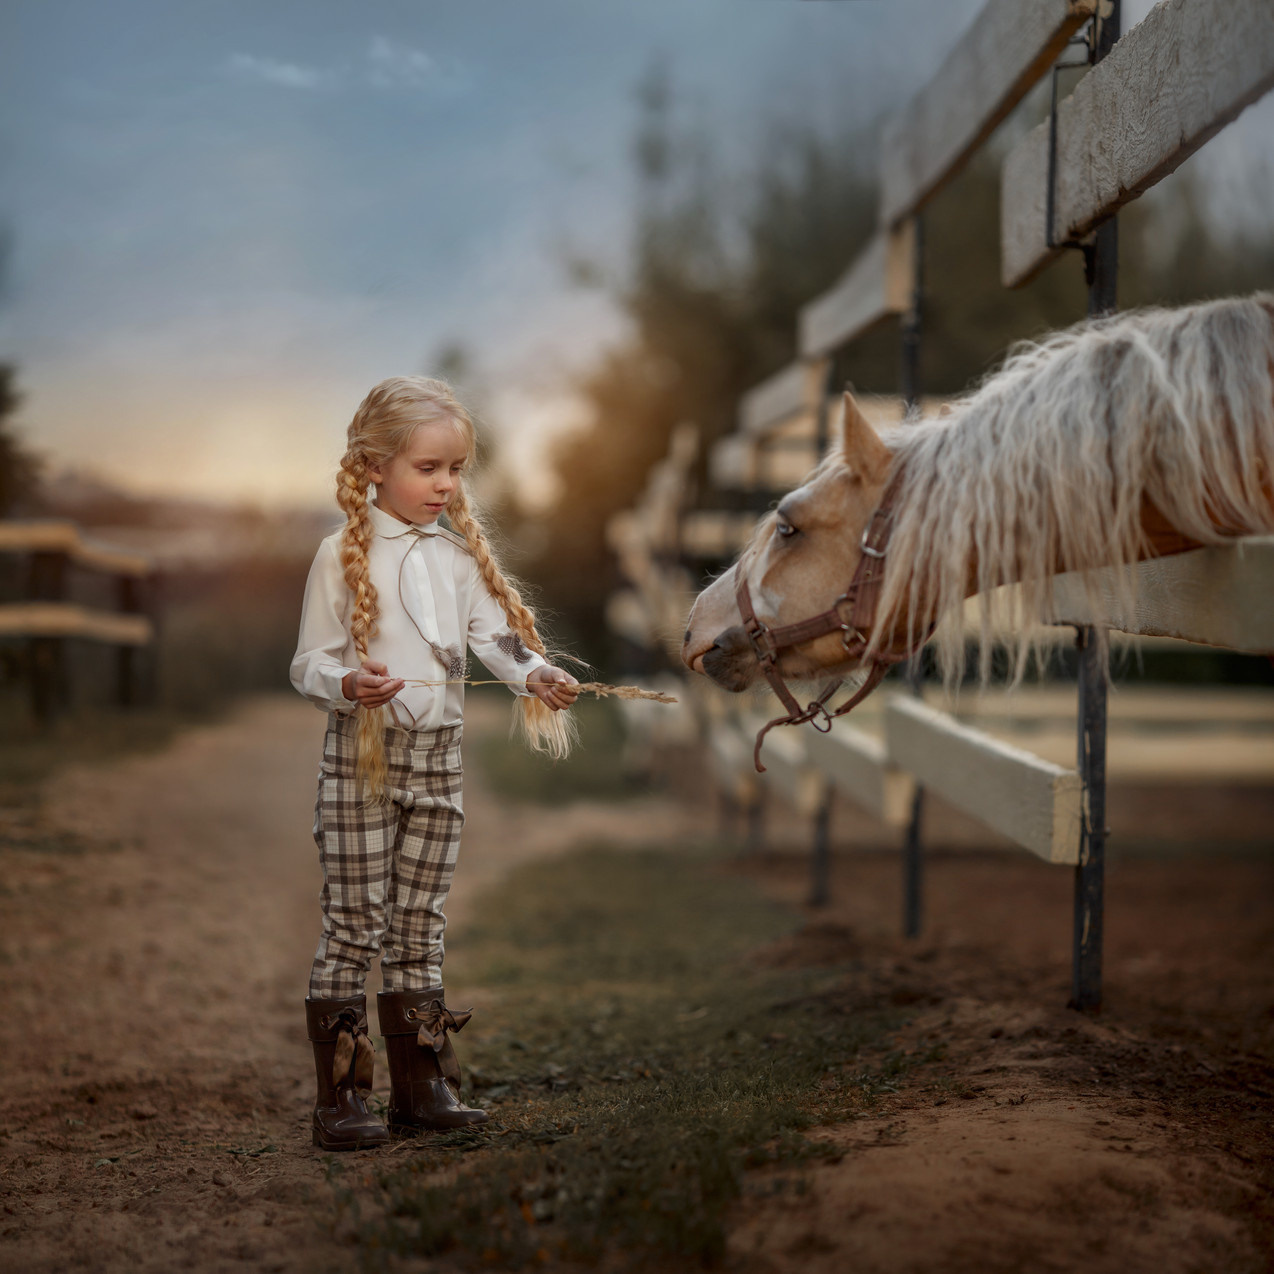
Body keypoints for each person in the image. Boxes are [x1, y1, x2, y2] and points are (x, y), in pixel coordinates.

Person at [290, 376, 579, 1151]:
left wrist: (536, 673)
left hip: (440, 763)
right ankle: (341, 1100)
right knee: (355, 922)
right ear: (375, 466)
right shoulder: (339, 554)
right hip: (362, 760)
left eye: (455, 469)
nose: (446, 484)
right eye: (428, 468)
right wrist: (346, 683)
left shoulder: (456, 557)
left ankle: (422, 1090)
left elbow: (496, 639)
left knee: (420, 922)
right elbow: (307, 662)